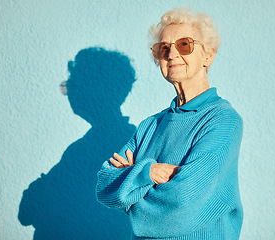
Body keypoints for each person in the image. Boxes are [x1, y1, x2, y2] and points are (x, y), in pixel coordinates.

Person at [96, 8, 243, 240]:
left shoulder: (222, 120)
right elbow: (104, 187)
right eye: (164, 48)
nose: (172, 54)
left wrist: (130, 192)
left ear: (208, 55)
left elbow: (182, 206)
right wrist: (148, 172)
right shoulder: (150, 126)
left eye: (184, 45)